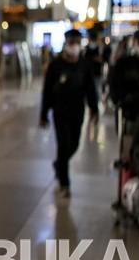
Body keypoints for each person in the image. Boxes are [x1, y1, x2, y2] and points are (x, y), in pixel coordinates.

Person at [40, 29, 99, 198]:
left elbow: (90, 89)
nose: (75, 46)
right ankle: (64, 183)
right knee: (63, 145)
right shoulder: (55, 65)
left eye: (78, 42)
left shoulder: (84, 65)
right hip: (60, 111)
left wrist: (94, 108)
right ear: (66, 43)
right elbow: (47, 91)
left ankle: (59, 164)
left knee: (74, 145)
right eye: (72, 42)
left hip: (77, 111)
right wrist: (43, 114)